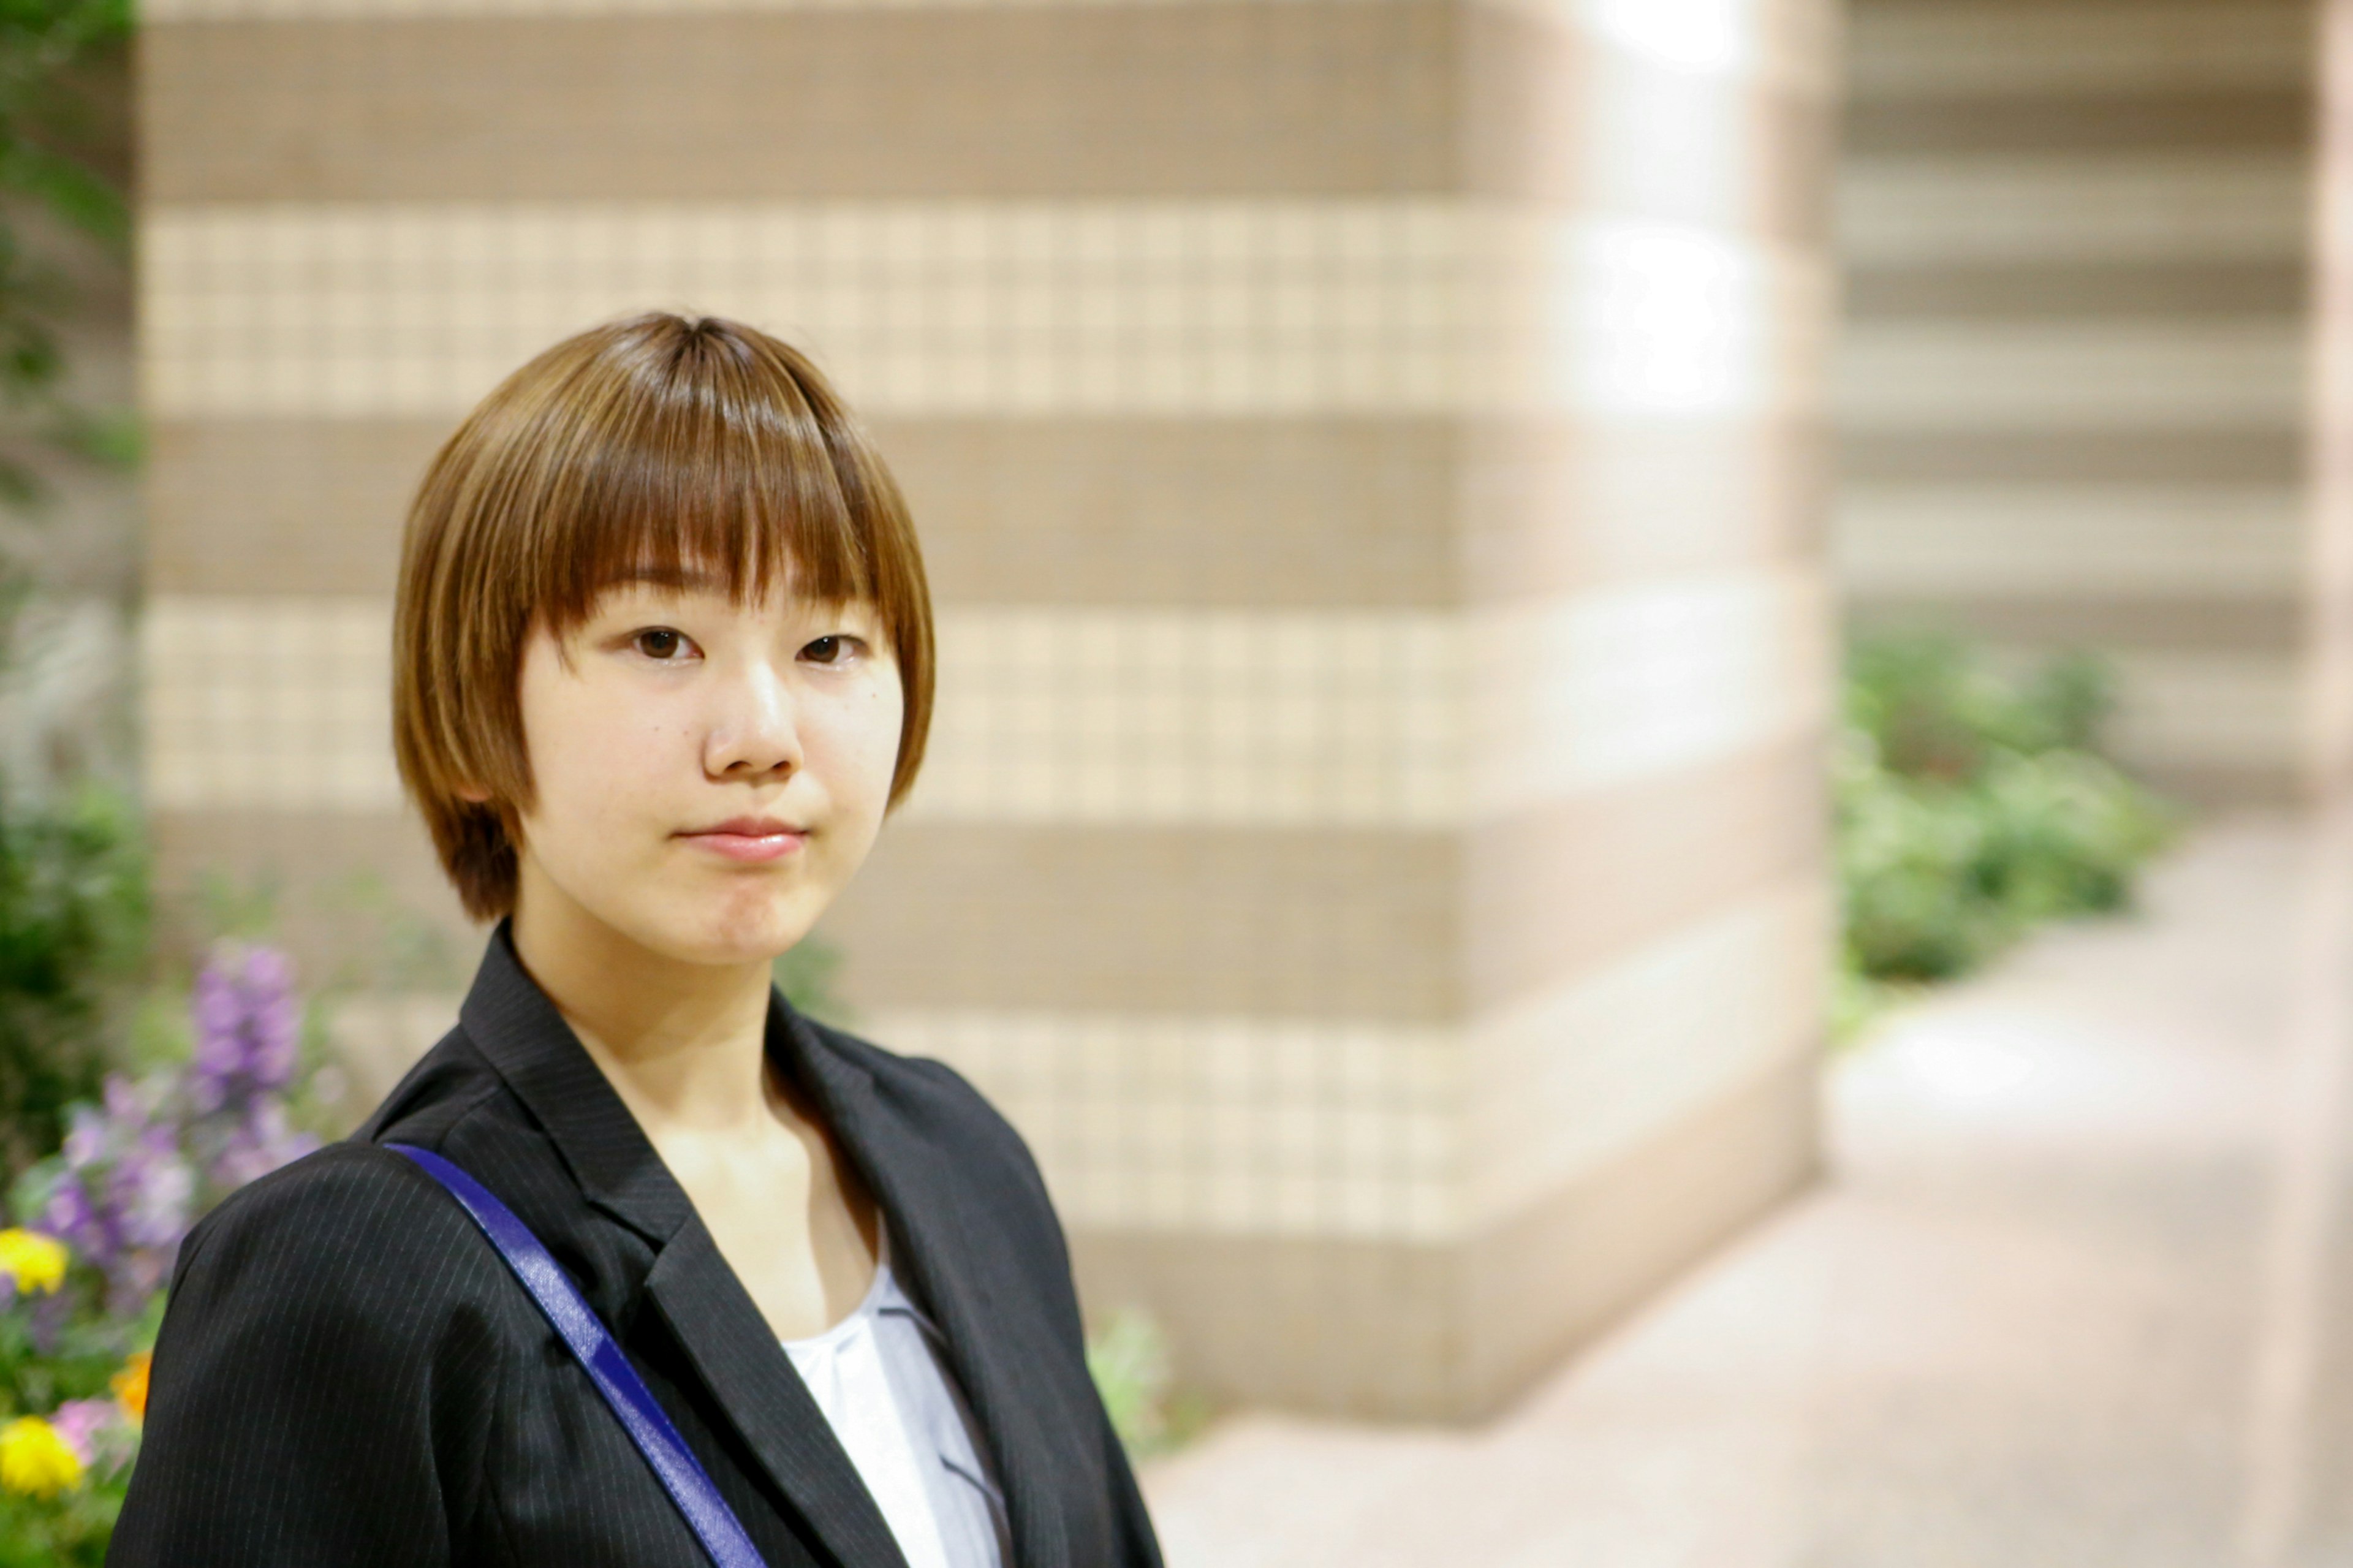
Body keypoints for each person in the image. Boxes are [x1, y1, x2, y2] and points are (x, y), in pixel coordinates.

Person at [108, 311, 1165, 1567]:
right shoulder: (355, 1272)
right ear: (475, 707)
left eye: (829, 643)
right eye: (661, 640)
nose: (761, 731)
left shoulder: (959, 1157)